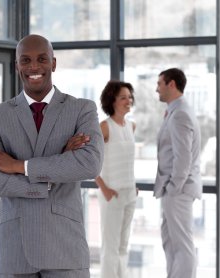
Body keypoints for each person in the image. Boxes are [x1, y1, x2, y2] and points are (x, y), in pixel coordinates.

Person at [0, 34, 103, 278]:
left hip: (65, 248)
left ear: (53, 63)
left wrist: (16, 165)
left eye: (41, 59)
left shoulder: (82, 109)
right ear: (16, 66)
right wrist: (55, 171)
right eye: (26, 60)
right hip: (14, 250)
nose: (34, 67)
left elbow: (89, 164)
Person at [154, 68, 202, 278]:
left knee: (182, 244)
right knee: (171, 242)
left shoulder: (180, 113)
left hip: (178, 190)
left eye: (159, 84)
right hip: (174, 189)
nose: (157, 89)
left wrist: (173, 188)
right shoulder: (176, 110)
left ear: (171, 84)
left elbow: (183, 157)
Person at [95, 80, 137, 278]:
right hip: (111, 194)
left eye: (129, 96)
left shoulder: (132, 126)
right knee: (110, 248)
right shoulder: (104, 127)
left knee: (123, 247)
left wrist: (133, 186)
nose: (128, 100)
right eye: (123, 97)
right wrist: (104, 188)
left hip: (130, 193)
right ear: (112, 101)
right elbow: (89, 161)